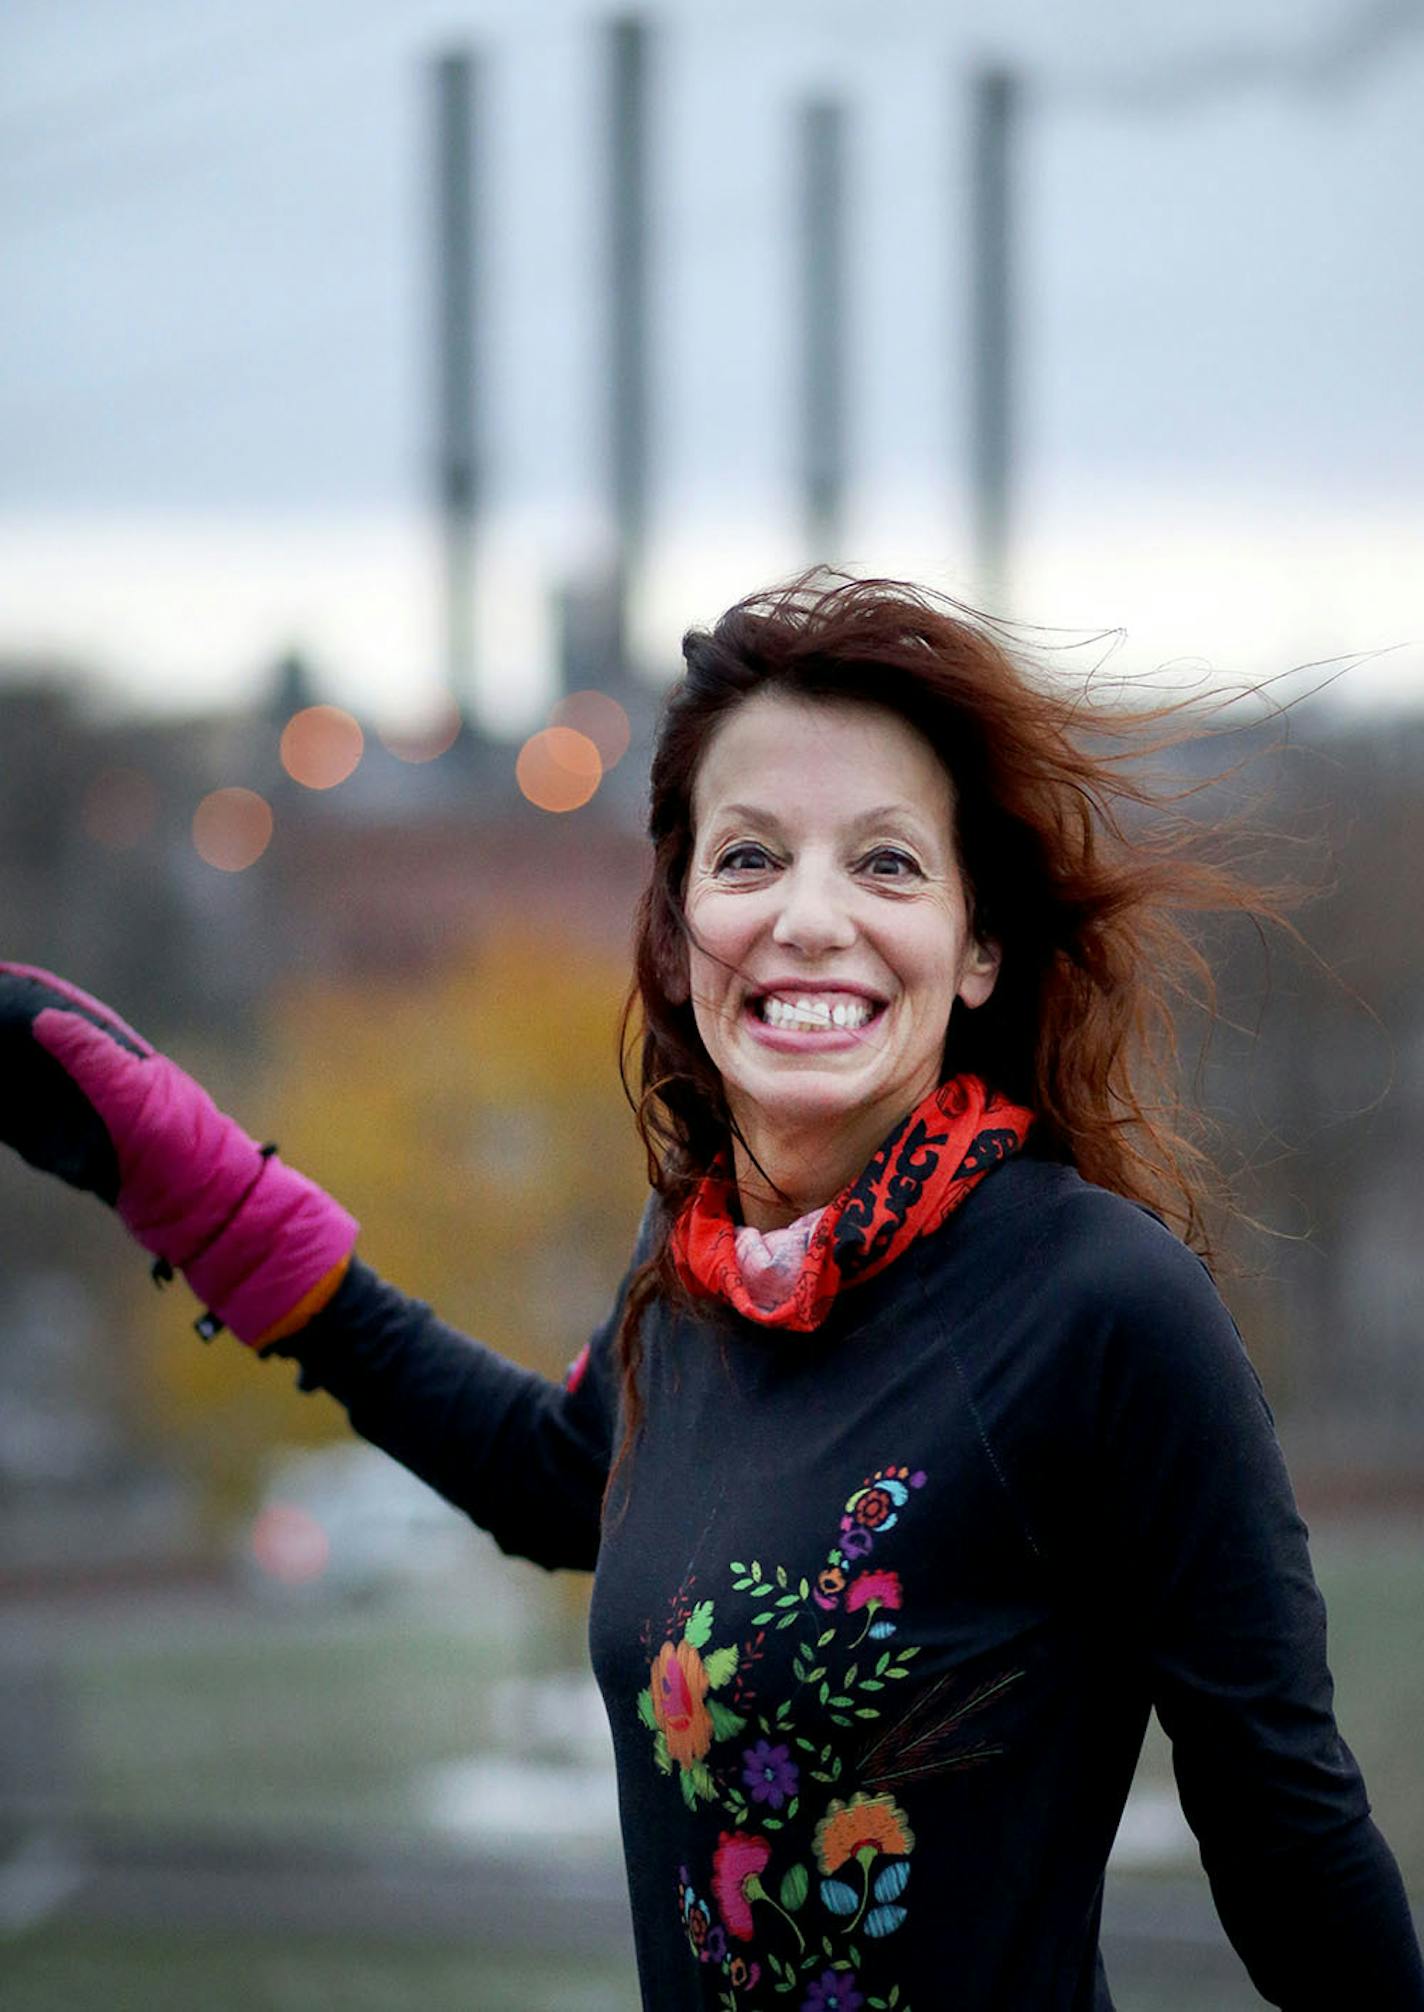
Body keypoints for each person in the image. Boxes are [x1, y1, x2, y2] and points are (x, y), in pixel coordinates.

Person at [2, 574, 1421, 2011]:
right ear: (678, 937)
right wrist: (222, 1209)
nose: (810, 919)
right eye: (749, 860)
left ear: (978, 946)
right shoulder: (690, 1275)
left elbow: (1290, 1844)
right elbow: (555, 1479)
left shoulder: (1108, 1308)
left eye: (885, 865)